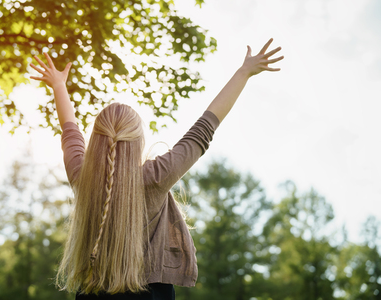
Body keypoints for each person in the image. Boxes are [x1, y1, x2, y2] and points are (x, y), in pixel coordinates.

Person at [29, 38, 283, 299]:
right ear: (138, 142)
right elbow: (204, 129)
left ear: (96, 140)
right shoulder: (154, 177)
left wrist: (59, 86)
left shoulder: (83, 178)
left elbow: (70, 132)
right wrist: (244, 73)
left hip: (91, 290)